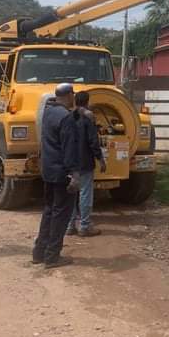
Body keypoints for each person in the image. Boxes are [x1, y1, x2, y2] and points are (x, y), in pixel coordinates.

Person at [32, 82, 80, 268]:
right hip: (62, 173)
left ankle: (39, 252)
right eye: (73, 95)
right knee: (61, 215)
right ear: (69, 95)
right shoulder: (66, 118)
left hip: (48, 170)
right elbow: (69, 149)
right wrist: (74, 175)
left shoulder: (49, 112)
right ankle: (52, 257)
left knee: (49, 211)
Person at [67, 90, 107, 237]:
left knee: (71, 194)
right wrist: (101, 159)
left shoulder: (68, 117)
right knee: (85, 193)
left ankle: (69, 226)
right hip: (84, 162)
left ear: (75, 101)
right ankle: (84, 226)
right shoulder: (88, 118)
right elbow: (93, 141)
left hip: (70, 163)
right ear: (87, 101)